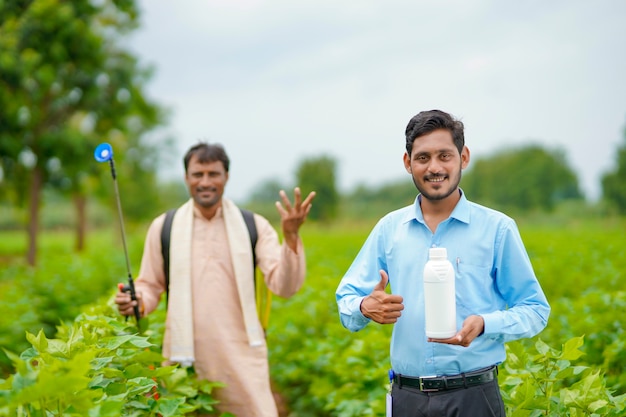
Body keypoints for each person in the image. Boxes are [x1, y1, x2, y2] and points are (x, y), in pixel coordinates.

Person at [335, 109, 550, 417]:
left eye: (444, 156)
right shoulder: (389, 229)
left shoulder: (497, 229)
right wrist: (364, 307)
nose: (434, 167)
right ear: (408, 163)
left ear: (463, 157)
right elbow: (347, 299)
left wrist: (485, 323)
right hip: (407, 397)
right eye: (422, 158)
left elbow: (535, 309)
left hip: (474, 396)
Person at [115, 142, 316, 417]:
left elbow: (285, 286)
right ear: (186, 178)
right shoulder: (165, 227)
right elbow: (150, 285)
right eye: (198, 174)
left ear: (227, 177)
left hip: (241, 355)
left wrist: (291, 237)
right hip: (182, 356)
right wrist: (135, 300)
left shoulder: (253, 225)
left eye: (213, 174)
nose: (205, 182)